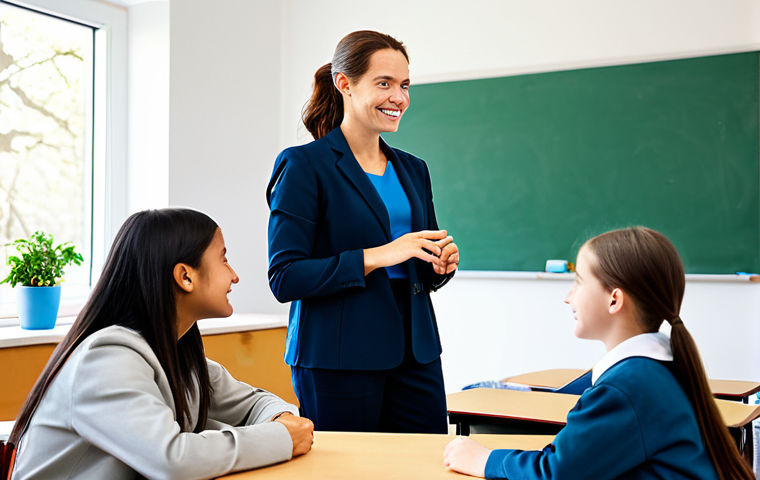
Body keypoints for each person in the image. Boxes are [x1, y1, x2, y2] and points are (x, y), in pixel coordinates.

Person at [8, 209, 314, 480]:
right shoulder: (106, 359)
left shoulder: (175, 354)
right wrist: (281, 437)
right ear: (185, 277)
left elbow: (254, 403)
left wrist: (281, 422)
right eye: (223, 258)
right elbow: (172, 461)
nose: (234, 276)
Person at [443, 227, 755, 480]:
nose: (568, 297)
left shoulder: (626, 388)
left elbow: (556, 473)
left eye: (578, 282)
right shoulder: (657, 365)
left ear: (614, 300)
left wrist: (485, 460)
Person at [266, 30, 459, 434]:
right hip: (338, 357)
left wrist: (439, 265)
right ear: (345, 84)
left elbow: (415, 259)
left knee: (423, 469)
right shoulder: (305, 166)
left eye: (404, 85)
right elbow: (285, 277)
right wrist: (381, 254)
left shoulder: (413, 169)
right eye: (384, 83)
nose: (399, 97)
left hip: (417, 351)